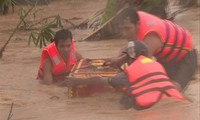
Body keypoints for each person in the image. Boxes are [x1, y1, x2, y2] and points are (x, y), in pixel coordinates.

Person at [64, 41, 184, 110]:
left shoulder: (130, 72)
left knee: (122, 103)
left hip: (152, 110)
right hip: (175, 103)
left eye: (128, 55)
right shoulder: (157, 65)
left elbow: (99, 80)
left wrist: (76, 81)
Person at [108, 8, 197, 90]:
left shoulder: (151, 37)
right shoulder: (135, 18)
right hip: (166, 58)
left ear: (138, 24)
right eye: (121, 29)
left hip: (186, 56)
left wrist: (112, 81)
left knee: (173, 90)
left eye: (127, 29)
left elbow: (141, 68)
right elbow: (132, 49)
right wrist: (119, 59)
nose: (124, 34)